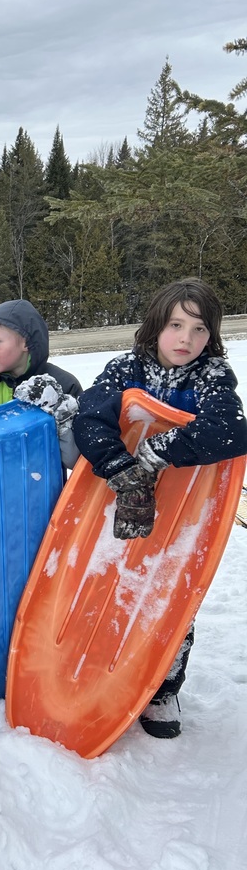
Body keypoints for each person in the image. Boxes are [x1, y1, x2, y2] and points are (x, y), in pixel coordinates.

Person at [72, 277, 247, 739]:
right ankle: (99, 668)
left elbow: (230, 429)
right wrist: (120, 467)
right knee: (111, 586)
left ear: (211, 337)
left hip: (182, 516)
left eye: (199, 329)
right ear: (156, 325)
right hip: (117, 509)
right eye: (175, 325)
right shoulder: (125, 369)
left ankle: (163, 687)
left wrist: (161, 448)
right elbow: (89, 417)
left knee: (172, 597)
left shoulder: (211, 379)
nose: (186, 338)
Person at [0, 299, 83, 470]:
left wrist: (62, 417)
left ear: (26, 342)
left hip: (47, 490)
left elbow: (77, 462)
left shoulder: (63, 384)